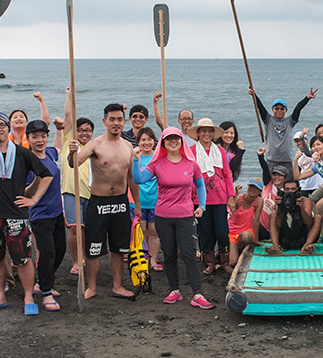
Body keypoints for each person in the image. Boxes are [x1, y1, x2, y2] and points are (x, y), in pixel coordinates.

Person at [0, 112, 53, 315]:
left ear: (8, 129)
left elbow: (46, 174)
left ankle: (28, 297)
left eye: (2, 125)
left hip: (16, 214)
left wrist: (33, 199)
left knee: (24, 259)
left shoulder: (22, 153)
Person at [131, 127, 214, 309]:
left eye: (176, 138)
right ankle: (174, 290)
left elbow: (200, 186)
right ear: (163, 143)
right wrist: (134, 159)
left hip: (185, 216)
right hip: (163, 216)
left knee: (189, 255)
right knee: (169, 255)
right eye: (169, 139)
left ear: (181, 142)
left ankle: (197, 294)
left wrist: (201, 206)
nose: (173, 142)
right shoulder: (157, 163)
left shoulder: (191, 164)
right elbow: (138, 179)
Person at [69, 103, 137, 300]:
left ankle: (117, 286)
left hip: (121, 202)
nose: (116, 123)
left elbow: (131, 178)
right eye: (112, 119)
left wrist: (138, 206)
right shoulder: (96, 144)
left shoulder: (128, 147)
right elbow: (74, 163)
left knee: (119, 247)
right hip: (98, 202)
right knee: (93, 248)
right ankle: (91, 287)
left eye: (119, 119)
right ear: (104, 121)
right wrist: (71, 151)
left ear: (124, 122)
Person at [25, 119, 66, 311]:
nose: (40, 140)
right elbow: (24, 193)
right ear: (28, 139)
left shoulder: (49, 153)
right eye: (35, 137)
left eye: (43, 136)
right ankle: (46, 292)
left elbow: (57, 147)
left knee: (60, 250)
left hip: (57, 211)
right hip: (40, 214)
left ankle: (42, 282)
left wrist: (59, 130)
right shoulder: (26, 161)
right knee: (47, 252)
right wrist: (36, 180)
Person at [188, 118, 235, 275]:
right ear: (198, 133)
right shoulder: (192, 151)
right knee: (205, 230)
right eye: (204, 131)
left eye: (210, 131)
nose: (207, 134)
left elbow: (227, 175)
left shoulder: (220, 151)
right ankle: (209, 262)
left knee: (222, 231)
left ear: (213, 134)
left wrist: (231, 195)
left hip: (220, 197)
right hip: (199, 199)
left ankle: (224, 260)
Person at [58, 89, 94, 277]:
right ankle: (75, 260)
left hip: (90, 193)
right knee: (74, 227)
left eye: (87, 130)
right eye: (80, 130)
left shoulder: (94, 148)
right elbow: (68, 117)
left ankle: (87, 257)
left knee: (87, 229)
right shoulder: (69, 143)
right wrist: (69, 97)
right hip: (71, 192)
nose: (84, 133)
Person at [249, 86, 316, 170]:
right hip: (271, 160)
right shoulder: (268, 120)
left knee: (289, 183)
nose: (279, 110)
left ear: (286, 110)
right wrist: (254, 95)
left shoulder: (290, 122)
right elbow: (260, 107)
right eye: (276, 108)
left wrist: (307, 98)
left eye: (282, 109)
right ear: (272, 110)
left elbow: (298, 109)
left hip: (286, 161)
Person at [267, 178, 323, 254]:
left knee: (318, 217)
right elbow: (279, 224)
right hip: (286, 236)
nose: (290, 191)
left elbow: (308, 223)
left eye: (293, 189)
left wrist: (302, 209)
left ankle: (306, 246)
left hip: (302, 235)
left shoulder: (305, 201)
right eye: (287, 189)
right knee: (273, 215)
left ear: (297, 190)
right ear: (284, 190)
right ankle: (276, 246)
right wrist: (280, 207)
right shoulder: (281, 200)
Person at [134, 127, 162, 272]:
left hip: (155, 200)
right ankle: (143, 257)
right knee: (142, 230)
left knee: (154, 231)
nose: (146, 143)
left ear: (154, 141)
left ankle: (153, 259)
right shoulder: (135, 158)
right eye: (143, 140)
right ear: (138, 142)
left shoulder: (158, 157)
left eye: (149, 139)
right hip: (139, 200)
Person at [227, 178, 263, 268]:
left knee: (246, 236)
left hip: (246, 231)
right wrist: (235, 195)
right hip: (232, 232)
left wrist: (256, 240)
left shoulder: (259, 201)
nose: (253, 189)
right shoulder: (239, 198)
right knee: (232, 262)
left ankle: (237, 248)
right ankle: (235, 250)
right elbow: (232, 209)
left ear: (260, 191)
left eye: (256, 188)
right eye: (251, 186)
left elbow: (256, 220)